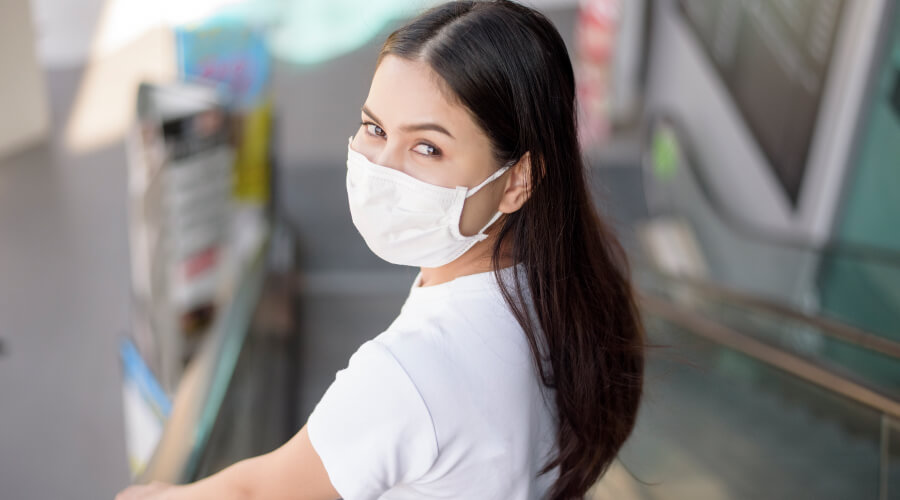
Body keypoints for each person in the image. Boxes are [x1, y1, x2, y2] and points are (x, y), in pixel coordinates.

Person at [116, 1, 644, 499]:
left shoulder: (409, 374)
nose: (382, 167)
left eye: (427, 147)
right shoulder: (559, 286)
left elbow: (255, 492)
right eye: (374, 127)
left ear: (517, 180)